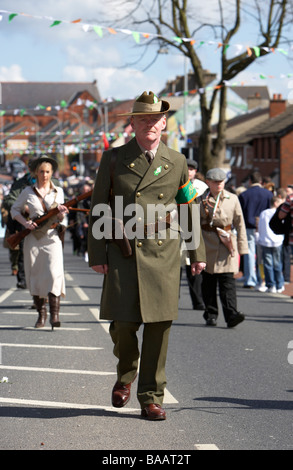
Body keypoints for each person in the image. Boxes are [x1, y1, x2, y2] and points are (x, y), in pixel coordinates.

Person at [88, 91, 206, 421]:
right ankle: (126, 373)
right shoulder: (112, 159)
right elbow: (99, 206)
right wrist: (97, 253)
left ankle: (151, 397)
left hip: (162, 253)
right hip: (123, 253)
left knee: (158, 327)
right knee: (123, 325)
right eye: (143, 120)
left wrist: (197, 252)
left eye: (155, 119)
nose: (150, 125)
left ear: (164, 124)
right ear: (133, 125)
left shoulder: (178, 161)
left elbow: (187, 207)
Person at [11, 155, 69, 330]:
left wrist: (61, 214)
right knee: (35, 275)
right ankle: (41, 315)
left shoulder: (58, 191)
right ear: (36, 173)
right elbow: (15, 210)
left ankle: (55, 315)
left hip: (52, 238)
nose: (44, 175)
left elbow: (62, 217)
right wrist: (26, 223)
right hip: (33, 239)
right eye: (42, 171)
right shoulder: (27, 192)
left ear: (52, 173)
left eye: (48, 172)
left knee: (54, 273)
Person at [200, 168, 248, 327]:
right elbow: (193, 225)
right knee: (208, 283)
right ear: (208, 182)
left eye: (221, 181)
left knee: (228, 283)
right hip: (207, 244)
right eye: (215, 181)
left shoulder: (233, 199)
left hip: (227, 245)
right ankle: (211, 313)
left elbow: (240, 224)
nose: (219, 184)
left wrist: (243, 249)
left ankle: (231, 315)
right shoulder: (201, 200)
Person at [238, 172, 273, 288]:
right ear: (261, 182)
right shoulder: (268, 194)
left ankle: (250, 279)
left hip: (248, 226)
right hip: (264, 227)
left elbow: (240, 213)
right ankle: (262, 279)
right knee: (263, 254)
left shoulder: (244, 195)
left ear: (250, 181)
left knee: (249, 254)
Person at [181, 159, 208, 310]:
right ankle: (172, 299)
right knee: (174, 267)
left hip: (194, 228)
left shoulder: (201, 187)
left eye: (192, 169)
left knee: (194, 265)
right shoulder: (175, 183)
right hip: (176, 227)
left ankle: (198, 301)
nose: (189, 172)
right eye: (187, 169)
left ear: (195, 172)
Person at [256, 196, 285, 293]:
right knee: (277, 263)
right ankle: (279, 285)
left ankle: (271, 285)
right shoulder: (280, 213)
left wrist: (260, 238)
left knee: (268, 264)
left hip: (265, 241)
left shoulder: (264, 213)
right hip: (277, 241)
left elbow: (260, 227)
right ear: (276, 203)